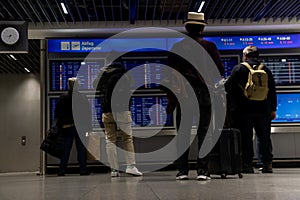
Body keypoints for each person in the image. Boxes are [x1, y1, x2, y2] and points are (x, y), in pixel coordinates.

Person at [165, 12, 224, 180]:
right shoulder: (210, 46)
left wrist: (172, 97)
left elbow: (169, 73)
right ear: (202, 28)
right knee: (204, 132)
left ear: (187, 28)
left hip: (184, 95)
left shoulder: (178, 47)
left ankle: (182, 171)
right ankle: (203, 171)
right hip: (204, 94)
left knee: (182, 133)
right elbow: (219, 70)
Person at [225, 45, 277, 173]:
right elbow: (272, 91)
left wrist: (233, 106)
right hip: (263, 110)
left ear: (245, 56)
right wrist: (273, 109)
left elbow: (227, 87)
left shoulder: (239, 68)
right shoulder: (266, 69)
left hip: (243, 111)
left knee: (246, 138)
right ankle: (267, 164)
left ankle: (247, 165)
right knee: (264, 137)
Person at [94, 60, 142, 177]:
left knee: (110, 140)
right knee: (127, 138)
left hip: (107, 111)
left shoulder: (103, 75)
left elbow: (95, 87)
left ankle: (114, 170)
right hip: (122, 110)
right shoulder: (123, 74)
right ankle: (130, 166)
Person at [55, 77, 91, 176]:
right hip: (81, 127)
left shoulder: (63, 97)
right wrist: (88, 128)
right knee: (81, 149)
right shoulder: (83, 97)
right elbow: (88, 114)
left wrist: (62, 124)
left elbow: (57, 113)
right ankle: (83, 169)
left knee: (66, 149)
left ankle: (62, 170)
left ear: (68, 85)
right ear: (78, 85)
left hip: (67, 127)